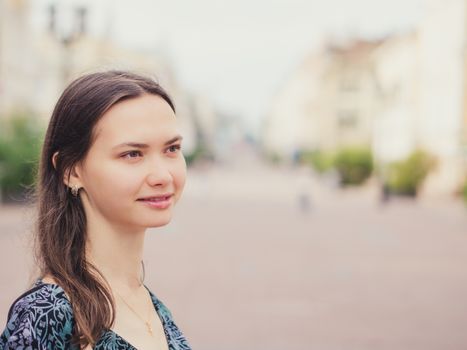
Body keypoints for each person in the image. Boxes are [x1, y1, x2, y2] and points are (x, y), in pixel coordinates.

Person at [0, 71, 191, 350]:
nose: (162, 175)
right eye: (132, 154)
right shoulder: (48, 315)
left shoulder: (146, 300)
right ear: (70, 170)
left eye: (172, 148)